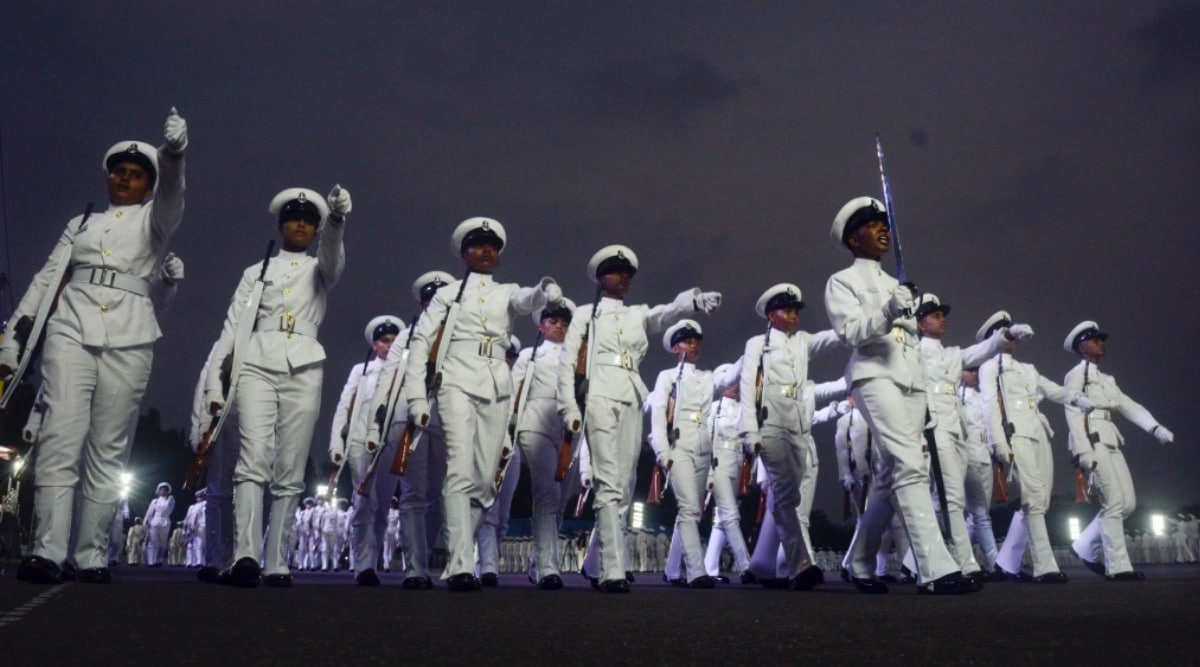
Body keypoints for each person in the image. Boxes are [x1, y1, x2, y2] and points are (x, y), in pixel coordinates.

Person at [2, 108, 188, 584]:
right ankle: (46, 549)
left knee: (108, 447)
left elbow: (172, 195)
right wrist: (12, 342)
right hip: (71, 325)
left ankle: (90, 554)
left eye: (136, 175)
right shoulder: (81, 222)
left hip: (130, 334)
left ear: (147, 185)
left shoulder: (154, 222)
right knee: (61, 437)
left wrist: (175, 157)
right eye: (119, 172)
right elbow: (47, 279)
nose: (125, 179)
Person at [404, 218, 562, 592]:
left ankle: (459, 554)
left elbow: (525, 300)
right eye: (478, 245)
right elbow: (421, 343)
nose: (487, 251)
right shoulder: (448, 295)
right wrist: (415, 396)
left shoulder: (505, 291)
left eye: (492, 246)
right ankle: (460, 565)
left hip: (495, 385)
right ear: (464, 254)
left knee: (486, 482)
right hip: (456, 380)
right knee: (459, 468)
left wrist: (541, 291)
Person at [208, 184, 353, 588]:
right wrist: (214, 386)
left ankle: (277, 560)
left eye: (310, 221)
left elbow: (333, 259)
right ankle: (246, 557)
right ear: (281, 224)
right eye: (295, 219)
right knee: (252, 458)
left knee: (290, 466)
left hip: (305, 364)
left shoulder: (319, 269)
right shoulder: (255, 273)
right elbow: (233, 328)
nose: (302, 225)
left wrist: (337, 222)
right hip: (255, 360)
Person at [824, 196, 969, 594]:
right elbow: (851, 333)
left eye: (884, 223)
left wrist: (925, 396)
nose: (883, 229)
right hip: (873, 374)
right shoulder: (842, 281)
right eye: (872, 225)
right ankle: (936, 569)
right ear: (854, 240)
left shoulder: (896, 283)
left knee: (889, 477)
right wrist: (889, 310)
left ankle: (859, 561)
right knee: (909, 464)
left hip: (909, 381)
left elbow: (912, 344)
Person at [558, 244, 721, 592]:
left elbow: (662, 315)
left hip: (631, 395)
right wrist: (569, 406)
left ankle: (597, 562)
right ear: (601, 277)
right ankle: (612, 570)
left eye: (628, 273)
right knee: (607, 482)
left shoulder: (635, 315)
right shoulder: (586, 314)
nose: (624, 278)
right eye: (616, 272)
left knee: (625, 481)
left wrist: (691, 302)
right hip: (598, 393)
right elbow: (567, 363)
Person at [914, 293, 1032, 583]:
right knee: (950, 500)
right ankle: (960, 565)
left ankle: (966, 565)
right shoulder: (912, 354)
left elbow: (981, 351)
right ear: (919, 324)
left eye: (943, 314)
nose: (943, 319)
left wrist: (1007, 335)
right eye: (936, 315)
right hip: (934, 428)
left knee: (962, 503)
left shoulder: (952, 354)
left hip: (958, 432)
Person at [977, 310, 1096, 583]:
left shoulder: (1027, 369)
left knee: (1041, 500)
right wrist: (998, 442)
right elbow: (989, 407)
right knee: (1033, 497)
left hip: (1038, 432)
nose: (1015, 335)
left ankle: (1006, 562)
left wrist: (1077, 399)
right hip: (1015, 435)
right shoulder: (989, 367)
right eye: (1008, 331)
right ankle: (1045, 566)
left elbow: (1054, 390)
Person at [738, 283, 841, 590]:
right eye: (787, 310)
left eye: (796, 311)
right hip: (770, 425)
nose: (794, 316)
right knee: (784, 494)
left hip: (797, 427)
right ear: (771, 315)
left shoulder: (803, 342)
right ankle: (800, 565)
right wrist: (749, 431)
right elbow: (747, 387)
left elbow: (836, 337)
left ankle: (761, 566)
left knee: (787, 498)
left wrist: (869, 318)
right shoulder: (757, 344)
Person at [1062, 320, 1174, 581]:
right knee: (1113, 504)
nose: (1101, 343)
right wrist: (1083, 451)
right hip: (1092, 439)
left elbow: (1127, 405)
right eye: (1095, 339)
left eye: (1101, 339)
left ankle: (1084, 544)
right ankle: (1118, 566)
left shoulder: (1106, 379)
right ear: (1082, 347)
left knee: (1128, 504)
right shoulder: (1076, 374)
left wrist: (1154, 428)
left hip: (1111, 438)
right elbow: (1072, 412)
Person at [365, 271, 454, 589]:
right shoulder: (407, 336)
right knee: (413, 495)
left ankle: (427, 557)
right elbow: (387, 382)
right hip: (408, 420)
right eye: (431, 300)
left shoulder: (460, 336)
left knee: (438, 497)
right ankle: (415, 568)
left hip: (446, 421)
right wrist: (377, 426)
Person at [647, 320, 735, 588]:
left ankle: (673, 571)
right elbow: (659, 418)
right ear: (676, 348)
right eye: (687, 341)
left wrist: (752, 356)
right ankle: (696, 571)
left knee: (691, 512)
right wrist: (663, 453)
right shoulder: (667, 377)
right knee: (687, 508)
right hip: (678, 447)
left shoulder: (707, 377)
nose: (694, 345)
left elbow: (731, 377)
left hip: (702, 449)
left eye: (697, 341)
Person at [329, 314, 403, 585]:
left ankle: (371, 560)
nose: (389, 345)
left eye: (394, 341)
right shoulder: (361, 371)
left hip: (391, 444)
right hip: (361, 442)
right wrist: (337, 443)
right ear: (375, 345)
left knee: (382, 507)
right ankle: (363, 565)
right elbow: (343, 407)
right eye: (384, 341)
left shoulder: (404, 373)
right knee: (363, 502)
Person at [511, 301, 576, 589]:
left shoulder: (580, 357)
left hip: (571, 429)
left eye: (564, 321)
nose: (559, 325)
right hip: (536, 423)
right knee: (547, 493)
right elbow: (513, 395)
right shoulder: (530, 355)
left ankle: (539, 563)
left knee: (562, 499)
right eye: (553, 320)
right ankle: (549, 569)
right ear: (541, 325)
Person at [144, 482, 175, 567]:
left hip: (165, 522)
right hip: (154, 521)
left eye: (165, 490)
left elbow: (169, 511)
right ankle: (151, 561)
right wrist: (146, 522)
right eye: (161, 489)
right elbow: (149, 513)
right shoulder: (155, 501)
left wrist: (169, 502)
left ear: (168, 491)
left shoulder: (170, 500)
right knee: (152, 542)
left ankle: (159, 560)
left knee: (162, 543)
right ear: (158, 490)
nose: (163, 491)